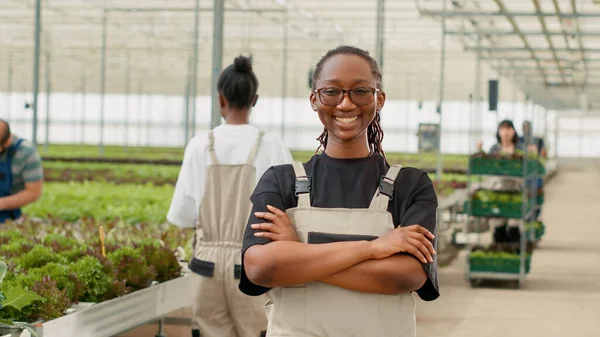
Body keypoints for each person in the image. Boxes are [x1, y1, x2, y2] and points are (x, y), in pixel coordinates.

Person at [239, 46, 439, 337]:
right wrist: (372, 249)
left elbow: (408, 275)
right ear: (314, 99)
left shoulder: (411, 185)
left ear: (378, 99)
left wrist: (297, 255)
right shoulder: (281, 182)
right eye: (332, 92)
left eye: (360, 91)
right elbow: (260, 268)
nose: (345, 104)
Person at [166, 56, 293, 337]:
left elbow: (181, 215)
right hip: (253, 260)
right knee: (258, 330)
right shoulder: (272, 145)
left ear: (220, 100)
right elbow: (291, 208)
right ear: (254, 99)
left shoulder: (200, 145)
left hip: (206, 265)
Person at [0, 119, 43, 224]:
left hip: (8, 219)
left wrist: (2, 204)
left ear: (6, 143)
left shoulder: (26, 153)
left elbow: (34, 192)